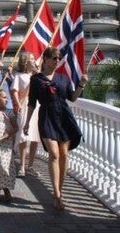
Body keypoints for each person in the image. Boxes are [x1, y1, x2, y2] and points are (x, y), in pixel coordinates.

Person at [23, 46, 87, 211]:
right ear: (45, 59)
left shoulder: (63, 79)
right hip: (46, 117)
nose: (57, 61)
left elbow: (72, 97)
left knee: (64, 154)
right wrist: (27, 122)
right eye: (54, 58)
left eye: (58, 58)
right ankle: (56, 194)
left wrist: (81, 84)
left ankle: (60, 190)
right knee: (54, 153)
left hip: (63, 116)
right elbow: (31, 103)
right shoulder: (36, 79)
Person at [11, 52, 41, 177]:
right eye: (31, 59)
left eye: (34, 59)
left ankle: (31, 165)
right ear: (25, 61)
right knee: (24, 135)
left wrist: (37, 74)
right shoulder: (19, 75)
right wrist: (18, 104)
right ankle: (22, 165)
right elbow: (14, 91)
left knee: (35, 136)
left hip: (37, 106)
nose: (34, 60)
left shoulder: (38, 75)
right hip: (25, 104)